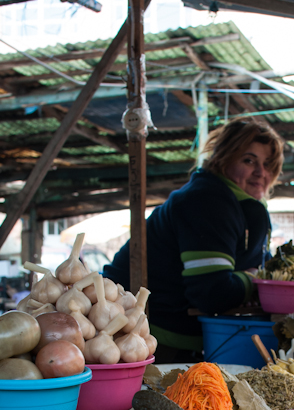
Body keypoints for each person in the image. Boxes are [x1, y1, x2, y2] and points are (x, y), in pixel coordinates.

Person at [104, 117, 284, 362]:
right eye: (248, 160)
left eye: (268, 164)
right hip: (146, 338)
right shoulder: (207, 201)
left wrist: (254, 278)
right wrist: (253, 279)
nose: (261, 172)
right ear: (223, 158)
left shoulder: (240, 206)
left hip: (174, 336)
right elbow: (213, 292)